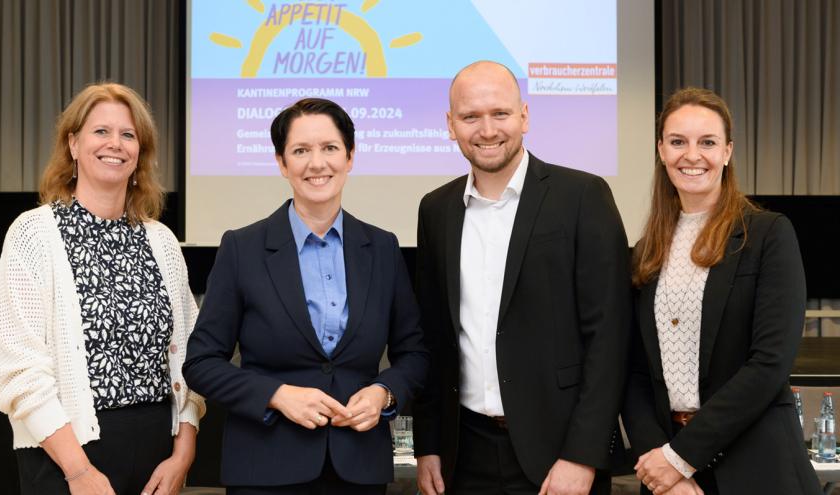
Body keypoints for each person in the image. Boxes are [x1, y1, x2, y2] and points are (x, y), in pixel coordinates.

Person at [182, 98, 429, 495]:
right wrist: (276, 395)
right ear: (282, 163)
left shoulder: (382, 249)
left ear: (350, 157)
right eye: (301, 151)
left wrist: (384, 392)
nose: (317, 163)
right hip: (265, 469)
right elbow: (201, 363)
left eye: (330, 148)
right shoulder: (242, 248)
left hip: (359, 470)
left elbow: (414, 354)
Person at [412, 60, 631, 495]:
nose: (487, 129)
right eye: (470, 116)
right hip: (463, 454)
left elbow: (610, 338)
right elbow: (434, 340)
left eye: (500, 114)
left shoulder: (582, 196)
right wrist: (429, 445)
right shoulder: (435, 210)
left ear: (525, 116)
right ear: (450, 124)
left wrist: (583, 455)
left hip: (559, 455)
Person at [0, 82, 205, 495]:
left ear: (140, 151)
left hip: (158, 453)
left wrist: (183, 454)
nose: (115, 144)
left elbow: (190, 357)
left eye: (128, 134)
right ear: (72, 144)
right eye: (101, 131)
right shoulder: (33, 234)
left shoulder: (161, 241)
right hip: (64, 455)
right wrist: (78, 471)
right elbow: (18, 370)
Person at [621, 87, 821, 495]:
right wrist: (662, 467)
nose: (691, 155)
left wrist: (681, 458)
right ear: (661, 150)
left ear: (727, 152)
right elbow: (634, 373)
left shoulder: (768, 236)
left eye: (707, 142)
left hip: (757, 466)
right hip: (669, 474)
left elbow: (768, 365)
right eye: (678, 142)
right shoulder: (645, 252)